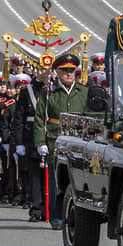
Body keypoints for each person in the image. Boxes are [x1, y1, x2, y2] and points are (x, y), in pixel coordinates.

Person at [33, 53, 89, 230]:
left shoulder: (83, 92)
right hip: (55, 140)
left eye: (72, 71)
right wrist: (40, 142)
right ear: (57, 72)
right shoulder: (49, 93)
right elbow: (40, 119)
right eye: (65, 71)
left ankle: (77, 217)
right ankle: (57, 218)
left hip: (78, 141)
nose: (69, 74)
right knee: (57, 183)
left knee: (78, 181)